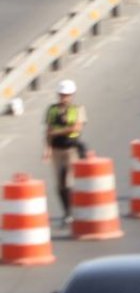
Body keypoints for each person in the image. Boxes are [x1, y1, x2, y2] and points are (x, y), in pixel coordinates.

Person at [43, 80, 86, 225]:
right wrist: (47, 148)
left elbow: (76, 128)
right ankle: (67, 212)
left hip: (71, 149)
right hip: (56, 149)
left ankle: (72, 211)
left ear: (72, 95)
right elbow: (48, 131)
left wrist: (58, 131)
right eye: (62, 95)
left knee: (68, 180)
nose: (64, 98)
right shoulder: (52, 110)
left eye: (66, 95)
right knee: (59, 184)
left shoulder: (77, 109)